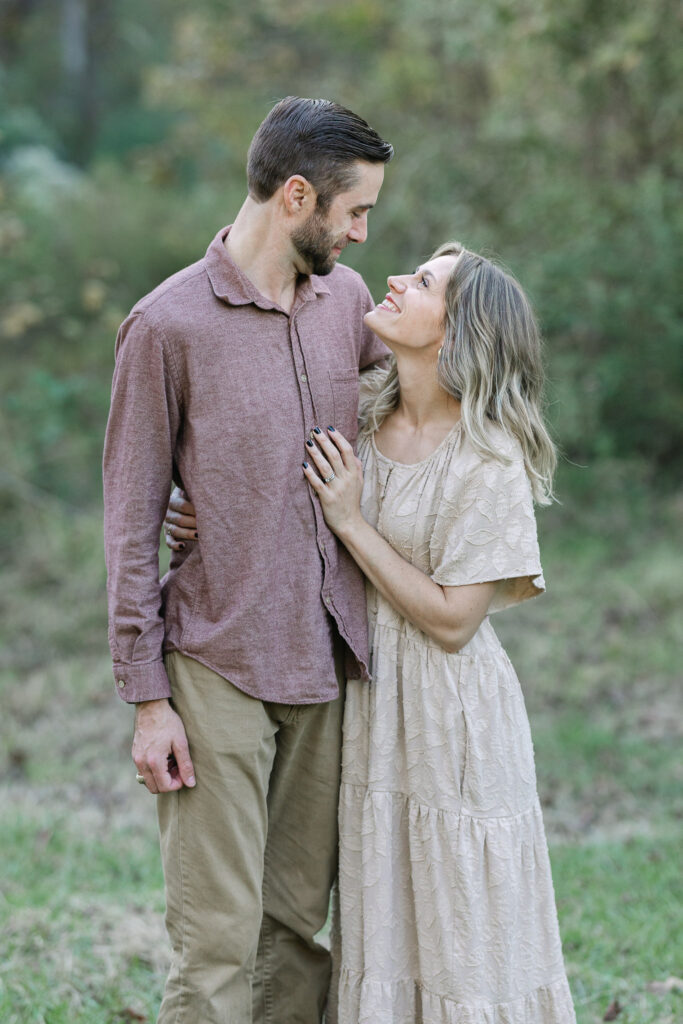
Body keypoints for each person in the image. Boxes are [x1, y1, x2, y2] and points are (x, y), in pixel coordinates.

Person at [166, 243, 577, 1022]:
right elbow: (263, 480)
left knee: (458, 917)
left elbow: (456, 621)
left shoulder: (484, 456)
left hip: (450, 717)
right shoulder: (359, 411)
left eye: (422, 283)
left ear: (454, 336)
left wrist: (351, 522)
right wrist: (192, 511)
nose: (393, 277)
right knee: (381, 907)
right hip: (368, 701)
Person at [103, 96, 393, 1024]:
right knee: (217, 940)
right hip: (215, 665)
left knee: (295, 930)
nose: (359, 235)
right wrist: (149, 700)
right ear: (296, 197)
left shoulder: (345, 302)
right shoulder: (165, 326)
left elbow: (417, 398)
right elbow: (131, 518)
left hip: (327, 661)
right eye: (354, 214)